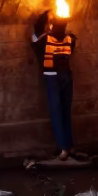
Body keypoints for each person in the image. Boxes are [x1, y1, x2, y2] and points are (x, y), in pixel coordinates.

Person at [32, 9, 80, 161]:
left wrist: (42, 16)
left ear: (52, 26)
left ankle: (63, 149)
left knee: (56, 112)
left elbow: (34, 38)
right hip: (66, 76)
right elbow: (71, 49)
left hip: (52, 77)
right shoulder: (70, 38)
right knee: (66, 112)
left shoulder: (46, 39)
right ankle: (70, 146)